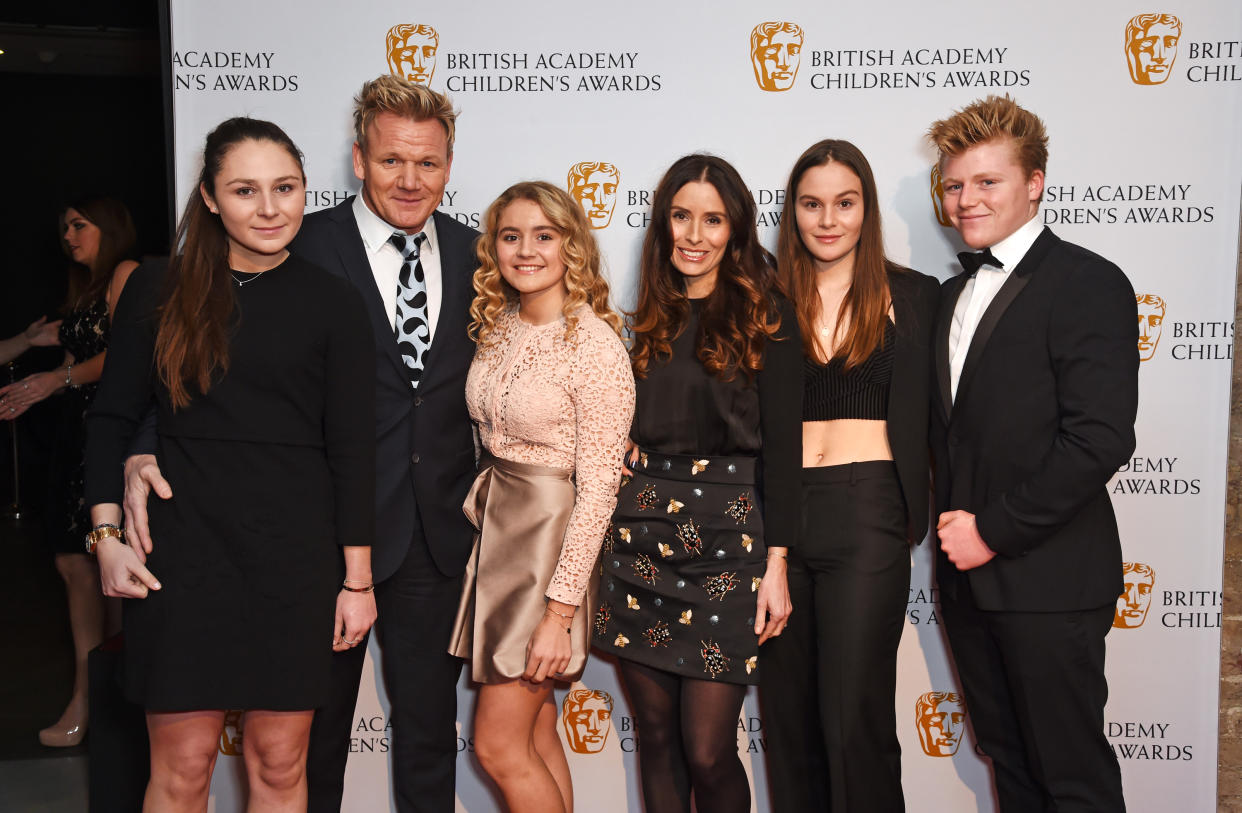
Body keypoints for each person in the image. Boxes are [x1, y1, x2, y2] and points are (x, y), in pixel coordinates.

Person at [121, 75, 481, 812]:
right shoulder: (289, 243)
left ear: (449, 165)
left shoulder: (483, 258)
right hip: (312, 542)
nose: (410, 180)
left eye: (429, 163)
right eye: (390, 161)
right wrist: (143, 446)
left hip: (435, 537)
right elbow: (195, 367)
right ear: (357, 160)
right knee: (300, 755)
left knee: (427, 742)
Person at [83, 116, 376, 810]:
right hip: (181, 559)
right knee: (181, 768)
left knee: (279, 765)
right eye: (245, 190)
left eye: (286, 187)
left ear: (307, 190)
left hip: (296, 565)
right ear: (211, 198)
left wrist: (357, 581)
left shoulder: (335, 302)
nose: (269, 208)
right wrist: (104, 536)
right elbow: (111, 418)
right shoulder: (159, 289)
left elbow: (354, 448)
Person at [927, 95, 1136, 811]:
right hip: (967, 588)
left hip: (1048, 582)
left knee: (1072, 779)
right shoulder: (951, 295)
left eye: (988, 181)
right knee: (1010, 768)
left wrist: (992, 530)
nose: (966, 199)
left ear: (1035, 183)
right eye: (955, 184)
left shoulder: (1087, 281)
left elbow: (1099, 438)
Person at [591, 154, 799, 813]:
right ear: (662, 223)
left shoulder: (768, 318)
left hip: (730, 546)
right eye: (681, 216)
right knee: (655, 737)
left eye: (713, 219)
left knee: (708, 750)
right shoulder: (646, 317)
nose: (694, 234)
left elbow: (786, 454)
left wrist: (778, 562)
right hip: (640, 539)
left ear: (735, 230)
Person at [761, 139, 939, 812]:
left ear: (866, 207)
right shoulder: (765, 299)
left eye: (844, 202)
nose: (827, 219)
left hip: (868, 513)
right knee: (790, 722)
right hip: (779, 520)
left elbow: (955, 417)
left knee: (850, 718)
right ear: (793, 212)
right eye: (811, 204)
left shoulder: (916, 297)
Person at [451, 180, 633, 813]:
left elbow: (599, 488)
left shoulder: (595, 346)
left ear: (571, 245)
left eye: (543, 235)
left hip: (550, 548)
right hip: (499, 534)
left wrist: (559, 612)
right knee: (533, 730)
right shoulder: (498, 326)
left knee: (497, 748)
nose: (525, 250)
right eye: (510, 236)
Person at [0, 197, 140, 747]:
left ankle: (113, 706)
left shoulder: (127, 275)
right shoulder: (83, 292)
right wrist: (38, 355)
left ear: (109, 226)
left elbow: (129, 352)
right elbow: (50, 345)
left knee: (108, 573)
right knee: (72, 565)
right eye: (64, 228)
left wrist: (53, 381)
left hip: (108, 435)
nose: (69, 236)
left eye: (79, 225)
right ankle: (89, 699)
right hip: (73, 436)